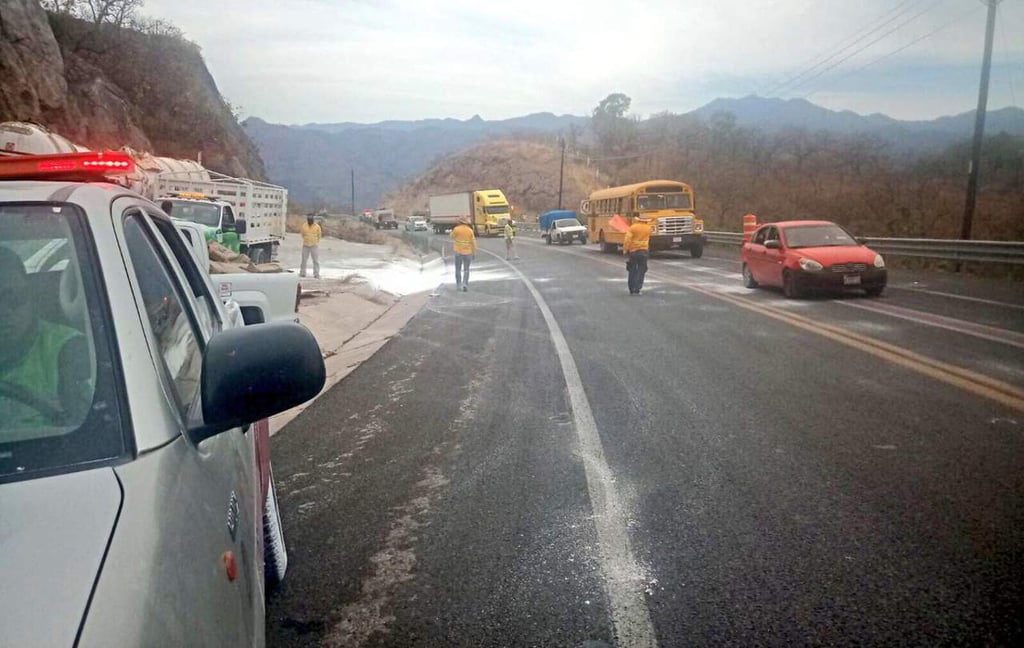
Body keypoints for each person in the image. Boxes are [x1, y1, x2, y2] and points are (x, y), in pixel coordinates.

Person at [0, 246, 90, 429]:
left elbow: (90, 435)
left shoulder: (69, 350)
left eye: (13, 298)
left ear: (31, 296)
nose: (3, 312)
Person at [623, 214, 652, 295]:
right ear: (646, 221)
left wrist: (625, 249)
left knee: (632, 269)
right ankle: (638, 288)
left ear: (638, 220)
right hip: (644, 251)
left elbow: (627, 240)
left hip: (633, 251)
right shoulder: (648, 228)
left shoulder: (633, 227)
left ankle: (631, 288)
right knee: (641, 270)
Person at [450, 216, 476, 292]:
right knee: (466, 269)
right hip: (468, 252)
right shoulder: (470, 230)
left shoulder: (456, 229)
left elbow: (451, 236)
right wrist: (473, 252)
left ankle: (458, 285)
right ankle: (465, 284)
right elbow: (473, 242)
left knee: (458, 269)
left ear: (459, 222)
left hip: (458, 252)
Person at [300, 213, 322, 279]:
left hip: (314, 245)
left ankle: (316, 274)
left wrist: (316, 242)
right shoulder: (304, 226)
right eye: (309, 219)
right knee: (304, 260)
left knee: (315, 260)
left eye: (311, 219)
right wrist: (306, 240)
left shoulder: (317, 226)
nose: (310, 220)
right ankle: (302, 273)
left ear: (313, 219)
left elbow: (319, 235)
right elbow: (302, 234)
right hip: (305, 245)